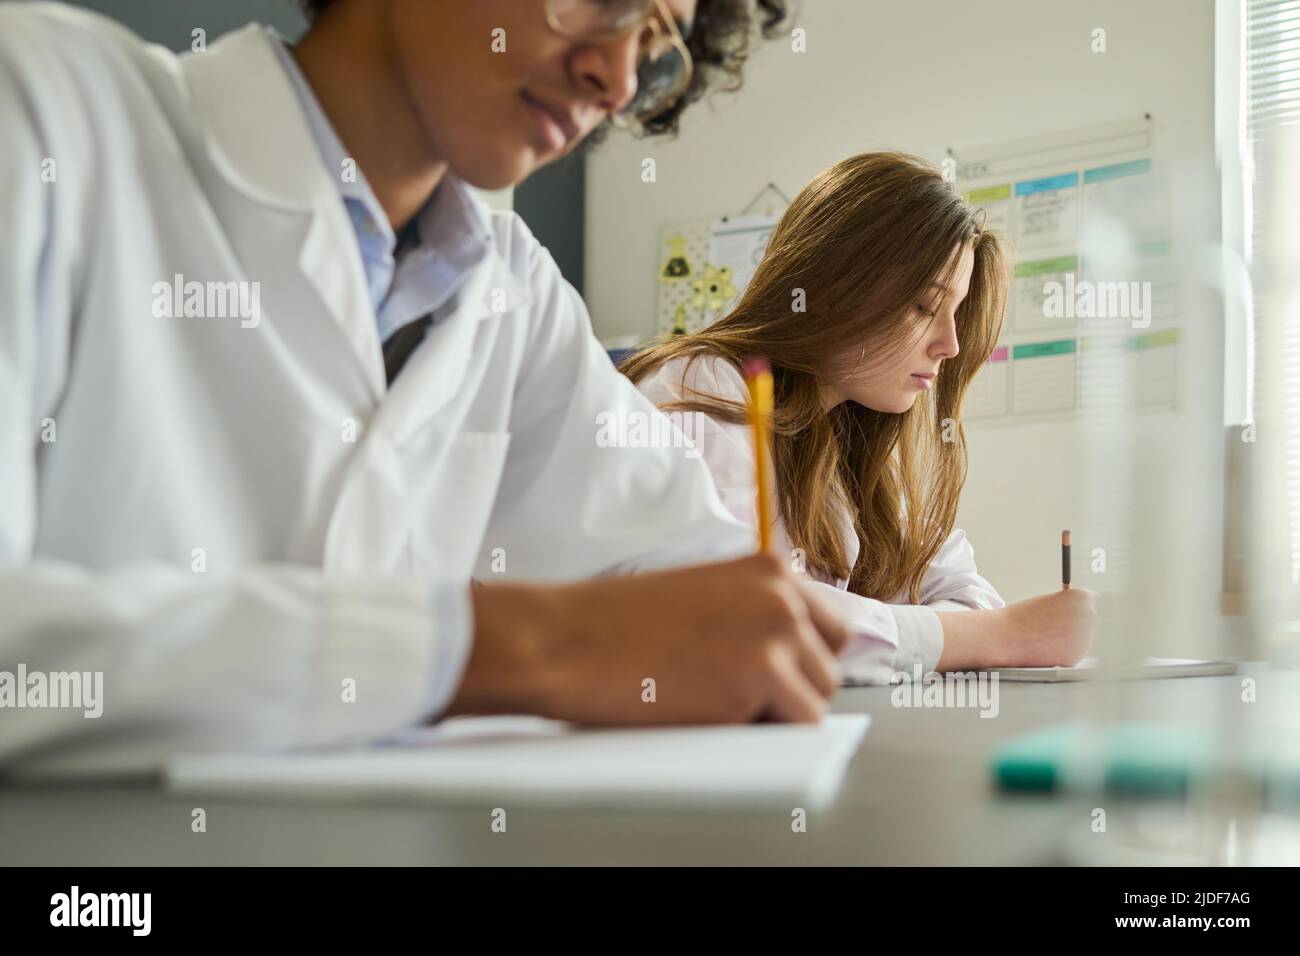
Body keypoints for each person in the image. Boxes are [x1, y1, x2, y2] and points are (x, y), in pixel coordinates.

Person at [0, 0, 852, 775]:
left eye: (655, 46)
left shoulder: (513, 288)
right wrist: (510, 649)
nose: (617, 76)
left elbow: (692, 579)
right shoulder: (40, 101)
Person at [625, 152, 1095, 684]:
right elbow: (735, 615)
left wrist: (965, 632)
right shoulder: (702, 387)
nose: (950, 344)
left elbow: (962, 593)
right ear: (833, 288)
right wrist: (1004, 635)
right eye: (923, 307)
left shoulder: (848, 436)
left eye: (955, 314)